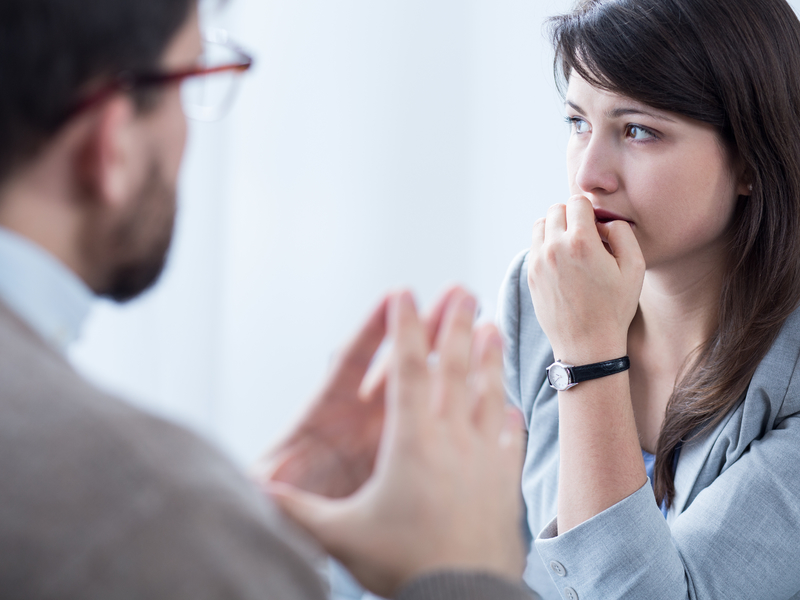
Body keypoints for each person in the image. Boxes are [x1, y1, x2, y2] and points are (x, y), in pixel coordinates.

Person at [0, 0, 536, 598]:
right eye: (193, 78)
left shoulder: (147, 510)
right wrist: (465, 574)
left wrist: (244, 523)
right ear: (113, 141)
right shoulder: (141, 508)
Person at [499, 0, 800, 598]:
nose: (589, 175)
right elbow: (494, 562)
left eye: (639, 130)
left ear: (752, 160)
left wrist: (589, 356)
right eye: (578, 123)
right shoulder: (540, 294)